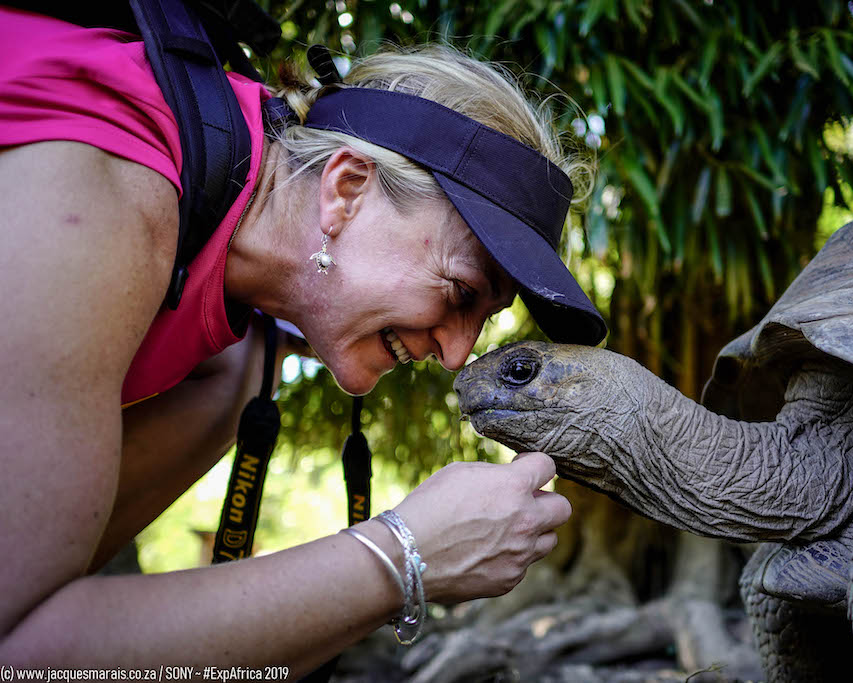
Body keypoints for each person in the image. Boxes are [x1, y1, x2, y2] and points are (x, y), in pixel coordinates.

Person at [0, 5, 606, 671]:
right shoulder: (105, 195)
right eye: (461, 291)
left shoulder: (233, 358)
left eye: (483, 320)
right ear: (345, 189)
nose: (457, 354)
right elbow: (20, 651)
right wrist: (403, 553)